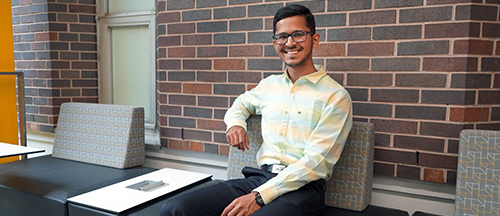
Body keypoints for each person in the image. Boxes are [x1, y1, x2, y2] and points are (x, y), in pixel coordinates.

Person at [159, 4, 352, 216]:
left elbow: (316, 163)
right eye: (282, 37)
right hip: (258, 177)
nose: (289, 43)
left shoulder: (335, 96)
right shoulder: (269, 85)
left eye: (298, 35)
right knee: (175, 209)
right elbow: (240, 104)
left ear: (314, 39)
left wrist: (259, 197)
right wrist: (235, 124)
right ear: (274, 42)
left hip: (302, 189)